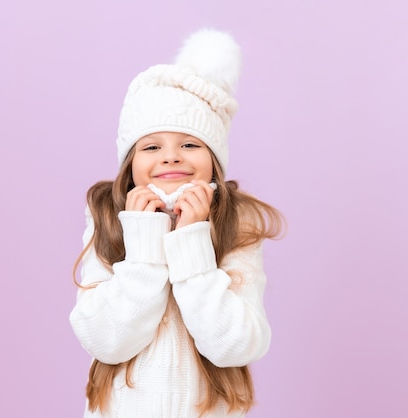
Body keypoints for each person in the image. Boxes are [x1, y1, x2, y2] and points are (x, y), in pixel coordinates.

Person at [69, 28, 285, 418]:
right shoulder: (108, 217)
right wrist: (144, 249)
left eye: (189, 143)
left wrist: (192, 241)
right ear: (130, 167)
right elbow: (105, 340)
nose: (170, 157)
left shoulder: (238, 221)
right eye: (152, 146)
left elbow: (237, 344)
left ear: (214, 159)